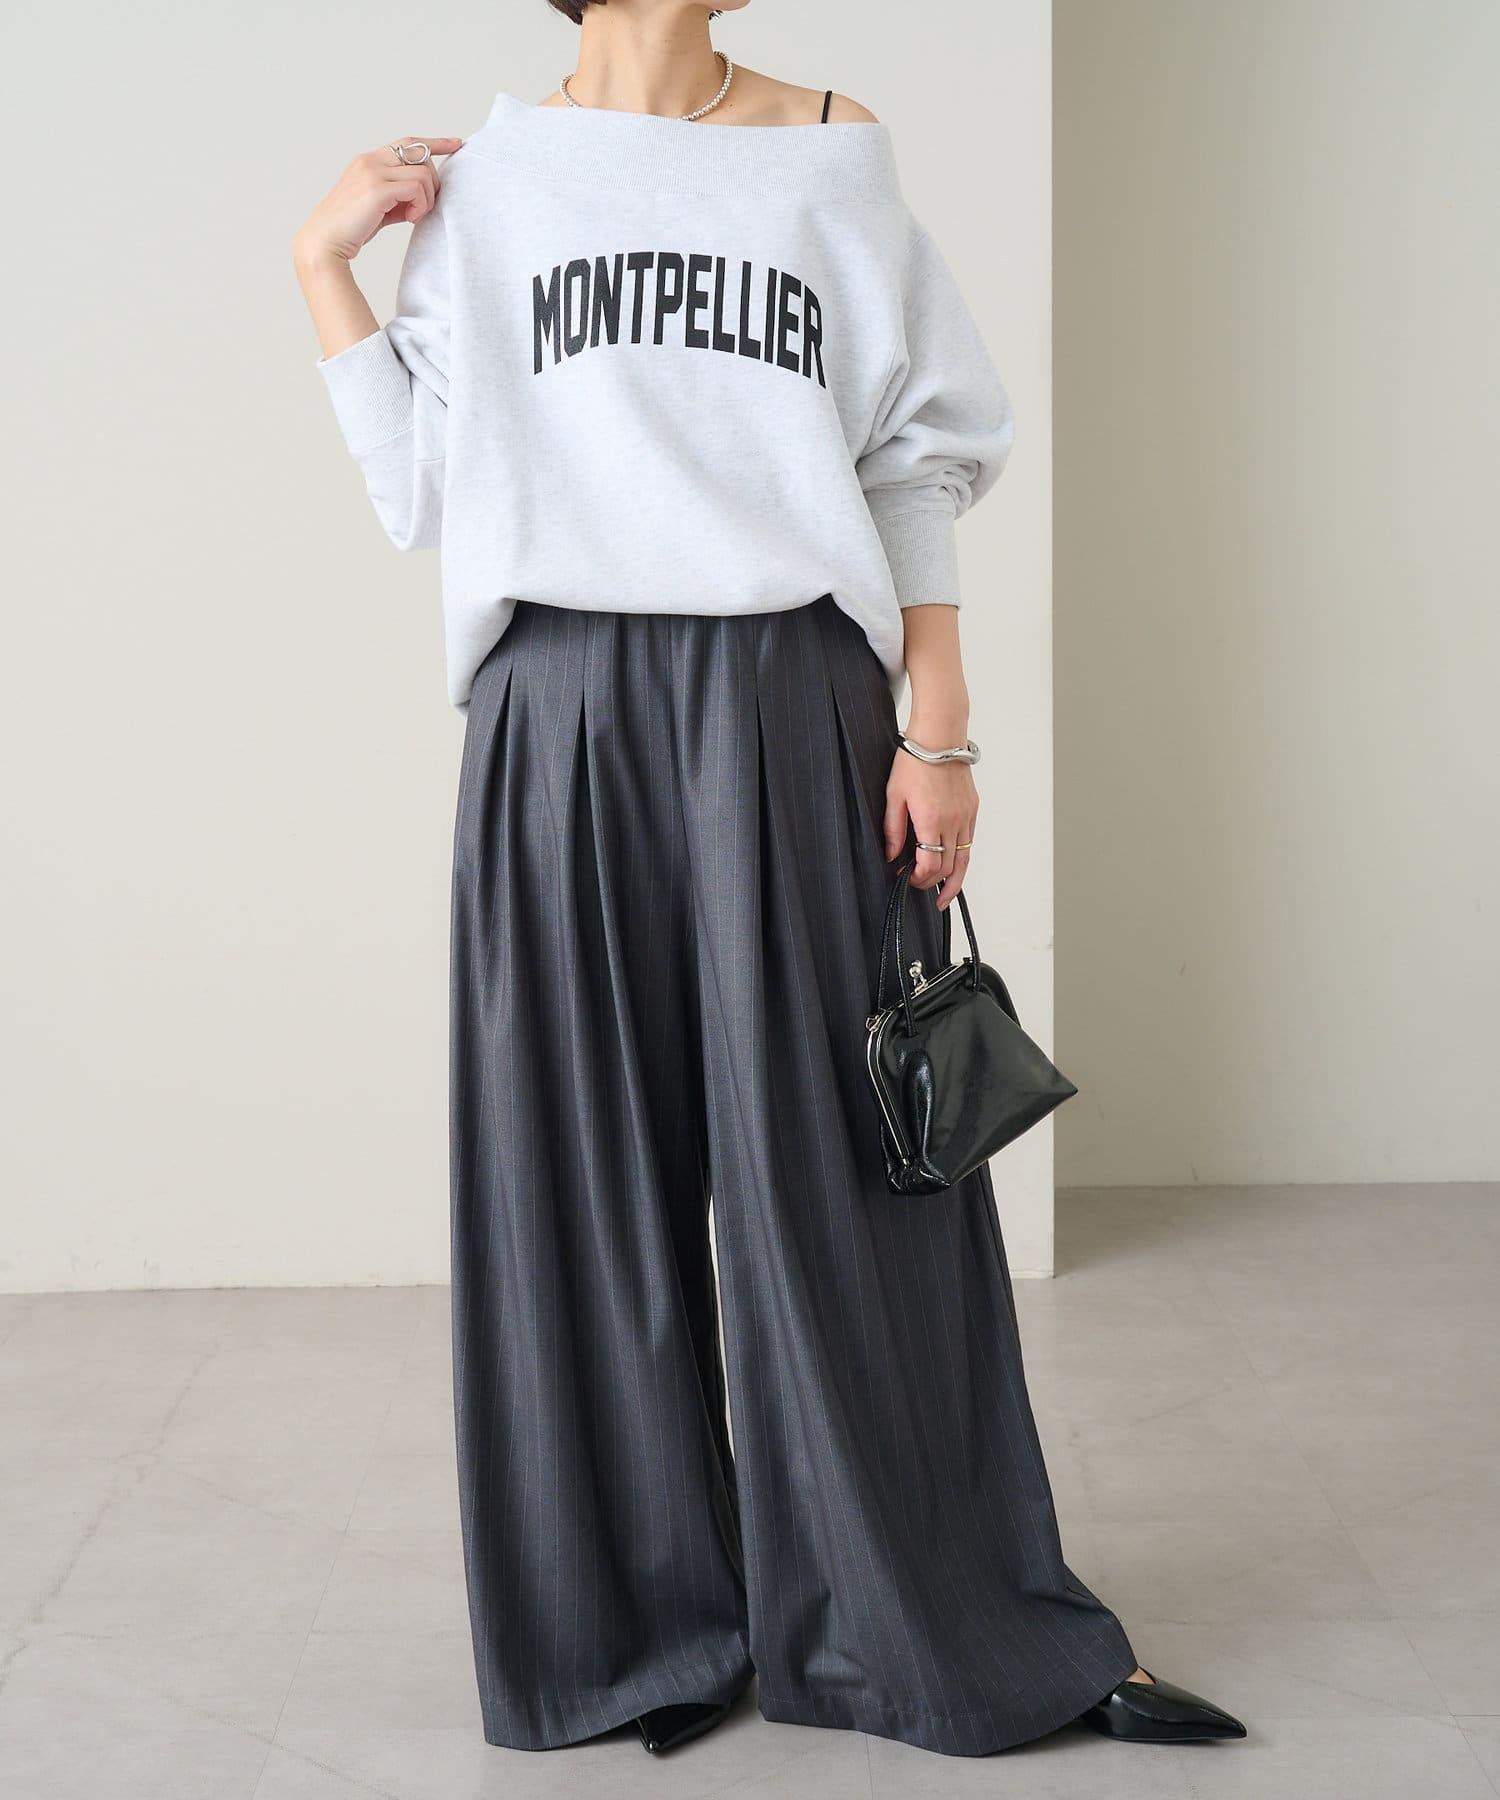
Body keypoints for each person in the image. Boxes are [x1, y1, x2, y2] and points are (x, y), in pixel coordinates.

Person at [292, 0, 1247, 1762]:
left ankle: (938, 1627)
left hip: (791, 690)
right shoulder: (493, 182)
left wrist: (938, 721)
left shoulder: (826, 149)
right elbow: (427, 491)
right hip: (558, 707)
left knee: (859, 1167)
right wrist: (322, 269)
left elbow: (909, 450)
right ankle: (632, 1636)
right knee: (575, 1180)